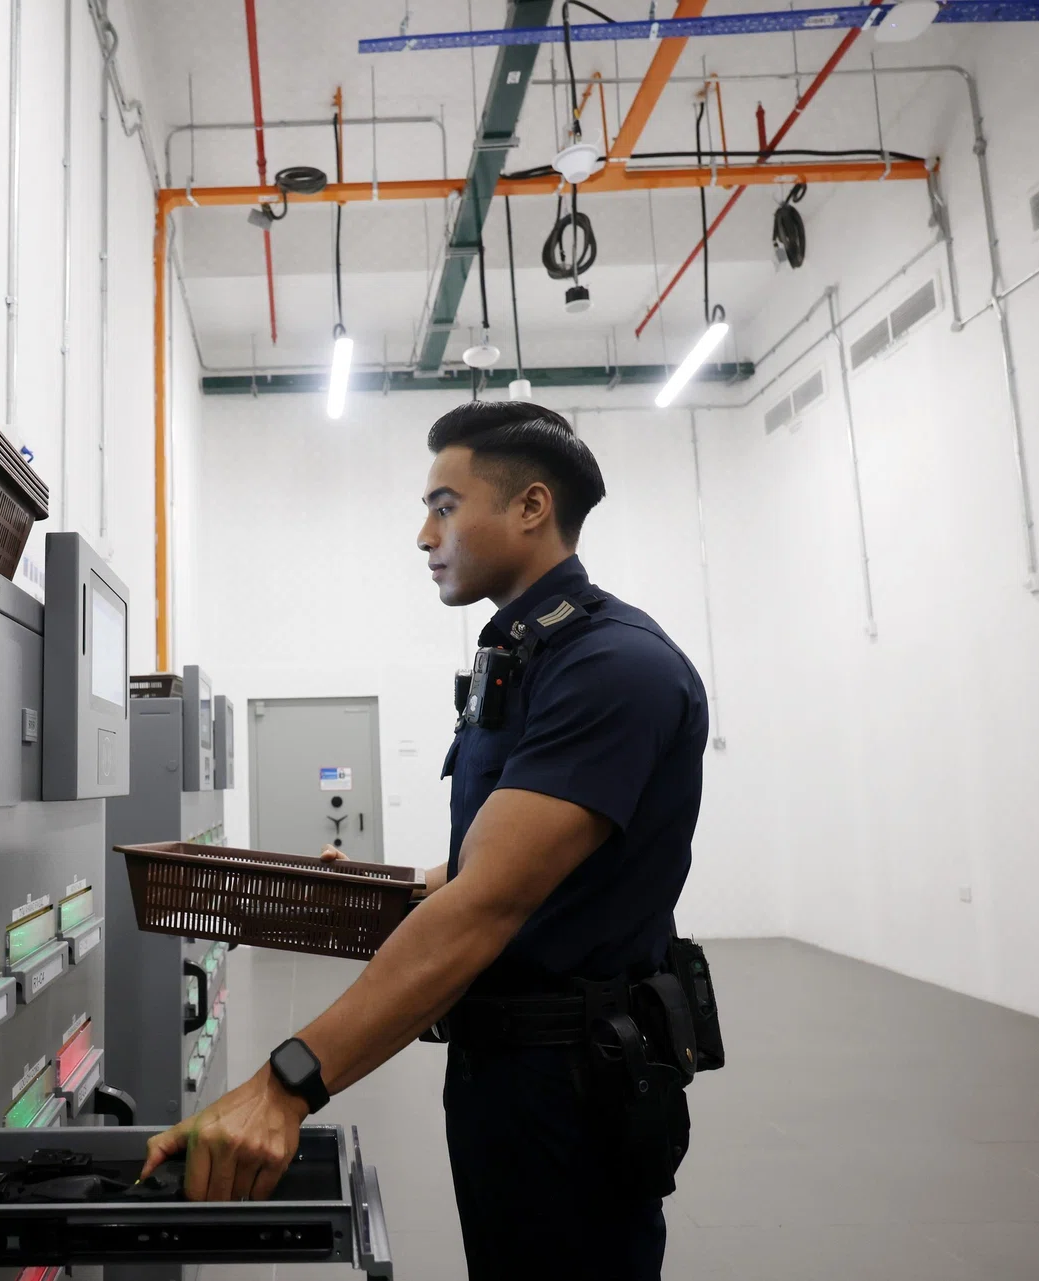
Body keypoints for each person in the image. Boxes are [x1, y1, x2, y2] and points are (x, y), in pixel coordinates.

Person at [139, 401, 710, 1279]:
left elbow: (489, 904)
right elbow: (503, 862)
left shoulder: (613, 666)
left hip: (573, 1082)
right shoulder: (524, 660)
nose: (423, 534)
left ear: (529, 506)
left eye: (443, 505)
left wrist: (283, 1084)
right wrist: (396, 885)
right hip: (502, 1067)